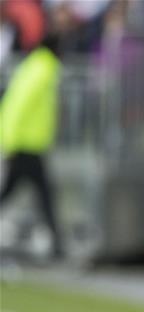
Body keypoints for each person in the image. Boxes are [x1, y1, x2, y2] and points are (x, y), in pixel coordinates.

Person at [0, 32, 64, 259]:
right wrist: (10, 142)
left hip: (26, 145)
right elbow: (19, 107)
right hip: (26, 146)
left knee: (21, 192)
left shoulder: (35, 66)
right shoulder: (43, 70)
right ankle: (58, 244)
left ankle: (58, 243)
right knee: (44, 195)